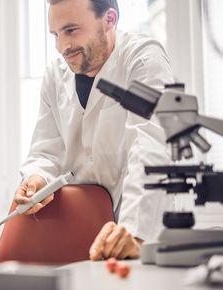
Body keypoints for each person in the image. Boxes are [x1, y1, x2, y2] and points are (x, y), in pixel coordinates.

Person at [14, 0, 175, 260]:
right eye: (55, 35)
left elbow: (150, 145)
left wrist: (133, 232)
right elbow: (46, 151)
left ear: (109, 19)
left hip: (139, 226)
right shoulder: (54, 76)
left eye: (71, 30)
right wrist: (36, 178)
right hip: (80, 231)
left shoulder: (142, 59)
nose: (61, 47)